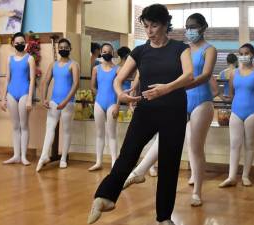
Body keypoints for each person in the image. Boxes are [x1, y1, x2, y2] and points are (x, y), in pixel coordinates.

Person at [87, 4, 193, 225]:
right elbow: (118, 79)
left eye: (154, 25)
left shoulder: (180, 48)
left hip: (174, 111)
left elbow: (189, 75)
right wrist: (120, 94)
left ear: (165, 25)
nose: (150, 31)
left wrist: (167, 88)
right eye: (146, 26)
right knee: (128, 154)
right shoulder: (140, 51)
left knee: (169, 164)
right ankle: (106, 197)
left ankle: (164, 217)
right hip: (146, 110)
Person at [122, 12, 217, 208]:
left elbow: (206, 75)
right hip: (177, 100)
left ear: (203, 28)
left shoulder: (209, 50)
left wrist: (178, 86)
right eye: (187, 27)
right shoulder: (181, 49)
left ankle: (197, 191)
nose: (190, 31)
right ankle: (139, 172)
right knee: (160, 141)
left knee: (195, 147)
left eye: (194, 27)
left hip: (201, 100)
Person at [219, 43, 254, 188]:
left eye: (246, 53)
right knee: (234, 145)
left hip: (253, 112)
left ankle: (245, 176)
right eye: (241, 54)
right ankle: (231, 177)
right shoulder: (234, 73)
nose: (243, 56)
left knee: (249, 145)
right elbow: (232, 94)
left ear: (253, 54)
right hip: (236, 111)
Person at [36, 38, 80, 172]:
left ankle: (63, 158)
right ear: (58, 49)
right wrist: (44, 99)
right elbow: (45, 82)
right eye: (61, 47)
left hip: (68, 102)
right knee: (50, 128)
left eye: (66, 47)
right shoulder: (53, 65)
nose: (63, 49)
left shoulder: (74, 65)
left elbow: (75, 84)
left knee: (66, 130)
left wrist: (66, 101)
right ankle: (44, 156)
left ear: (70, 49)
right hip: (54, 101)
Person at [1, 32, 35, 166]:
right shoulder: (9, 59)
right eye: (17, 43)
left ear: (25, 44)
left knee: (24, 125)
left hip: (24, 93)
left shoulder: (29, 58)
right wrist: (3, 97)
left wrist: (29, 98)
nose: (20, 45)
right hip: (11, 93)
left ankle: (24, 156)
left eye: (22, 43)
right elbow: (7, 78)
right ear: (13, 44)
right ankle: (16, 155)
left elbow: (32, 79)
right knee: (15, 126)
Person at [89, 43, 120, 171]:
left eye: (109, 51)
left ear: (112, 53)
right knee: (99, 134)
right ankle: (98, 162)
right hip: (99, 103)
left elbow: (120, 90)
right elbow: (92, 86)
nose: (106, 53)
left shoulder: (118, 69)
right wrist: (98, 96)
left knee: (112, 134)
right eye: (104, 51)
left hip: (112, 103)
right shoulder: (96, 68)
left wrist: (118, 105)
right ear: (101, 53)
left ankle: (114, 162)